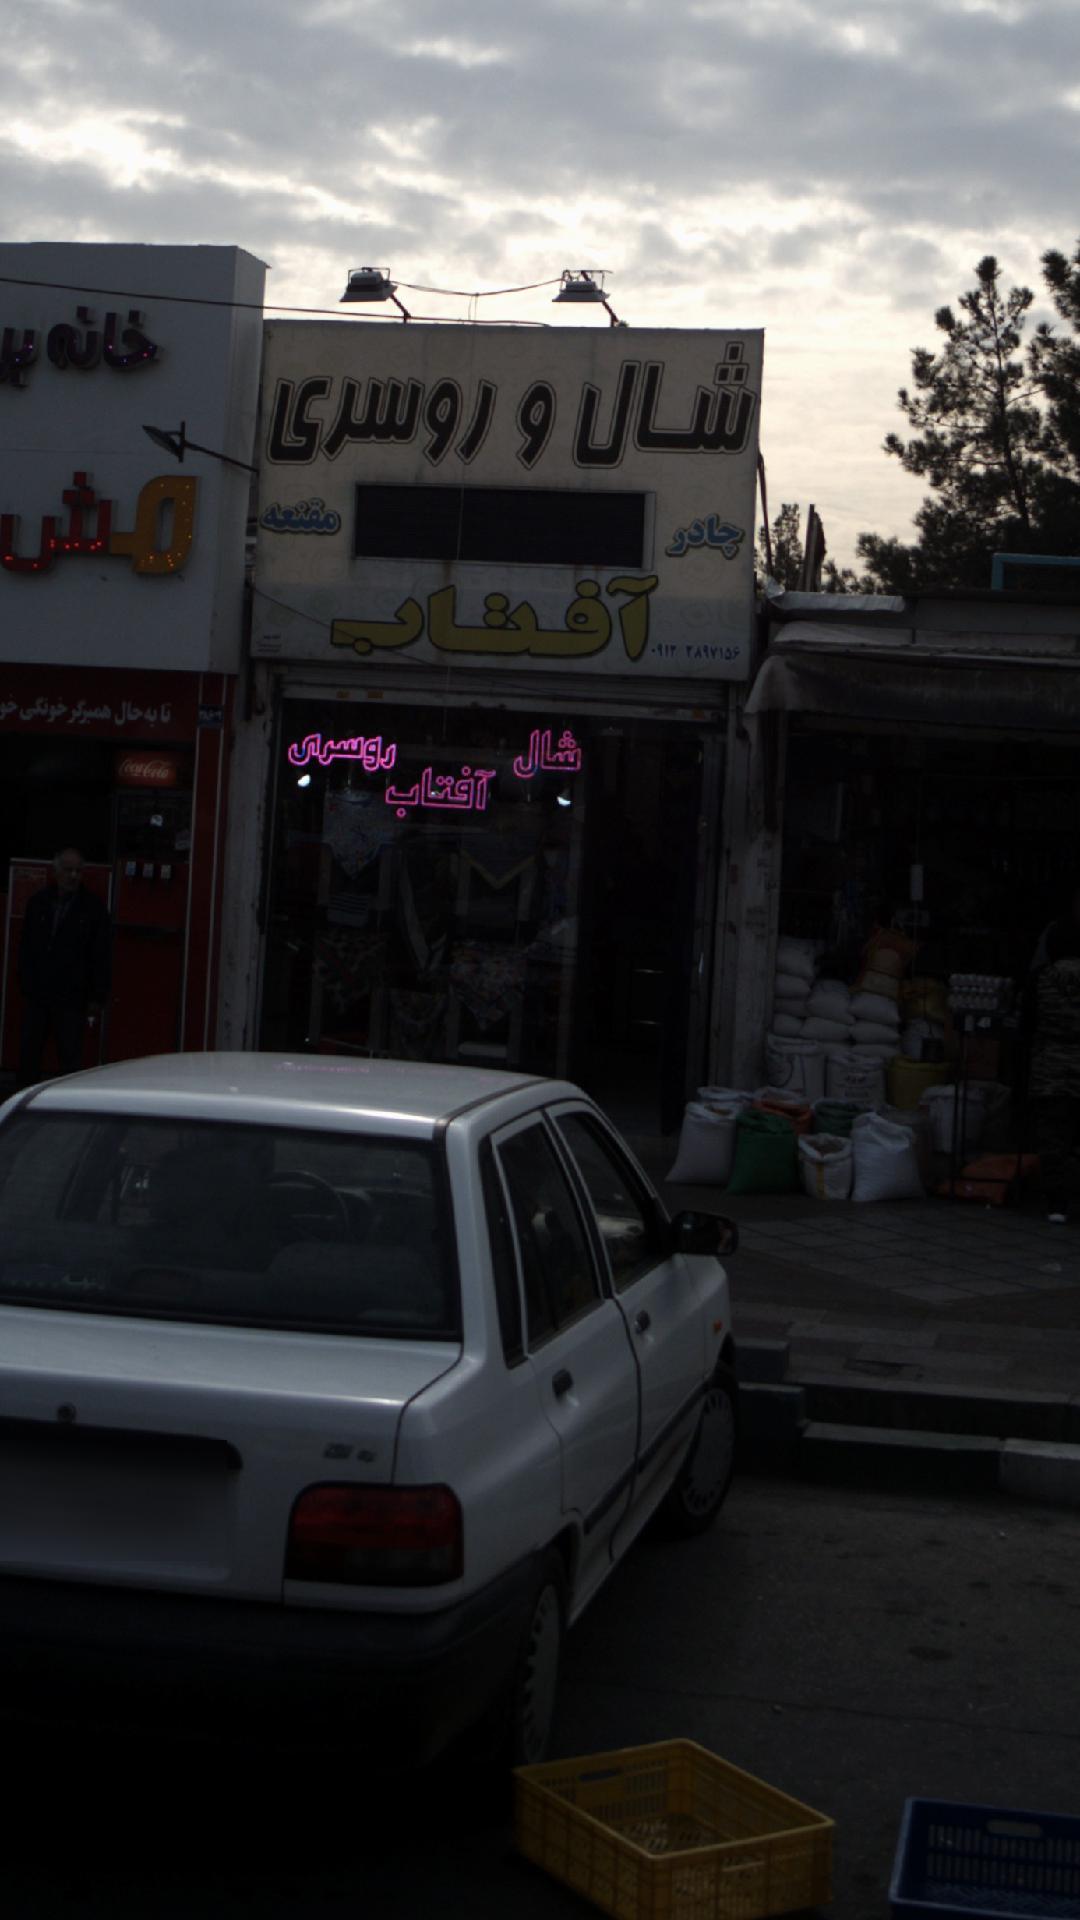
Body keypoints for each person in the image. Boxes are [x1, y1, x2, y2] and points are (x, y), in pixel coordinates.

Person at [17, 848, 111, 1088]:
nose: (73, 876)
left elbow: (100, 954)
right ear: (56, 871)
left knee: (69, 1055)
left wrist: (96, 996)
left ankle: (63, 1096)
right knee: (30, 1052)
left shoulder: (93, 908)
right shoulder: (39, 903)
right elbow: (27, 945)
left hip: (72, 995)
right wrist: (26, 982)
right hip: (39, 991)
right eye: (69, 870)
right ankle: (26, 1093)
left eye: (78, 871)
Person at [1027, 895, 1080, 1222]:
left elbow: (1029, 1022)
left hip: (1052, 1070)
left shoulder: (1042, 979)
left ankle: (1056, 1204)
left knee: (1054, 1138)